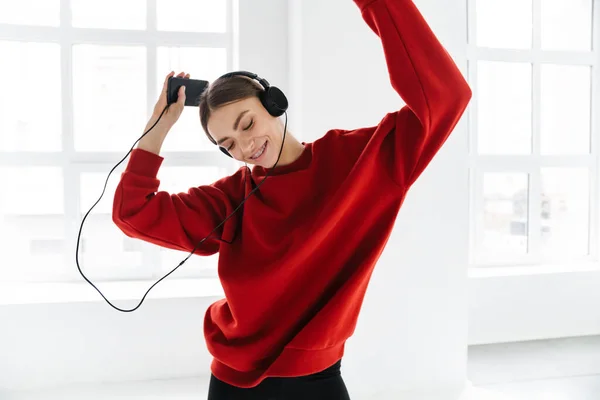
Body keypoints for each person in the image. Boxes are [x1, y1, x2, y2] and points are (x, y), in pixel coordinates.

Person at [112, 0, 472, 398]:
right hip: (233, 381)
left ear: (273, 103)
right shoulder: (229, 200)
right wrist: (158, 126)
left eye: (246, 123)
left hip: (317, 378)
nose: (245, 146)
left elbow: (446, 97)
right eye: (227, 144)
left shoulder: (358, 160)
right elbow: (133, 213)